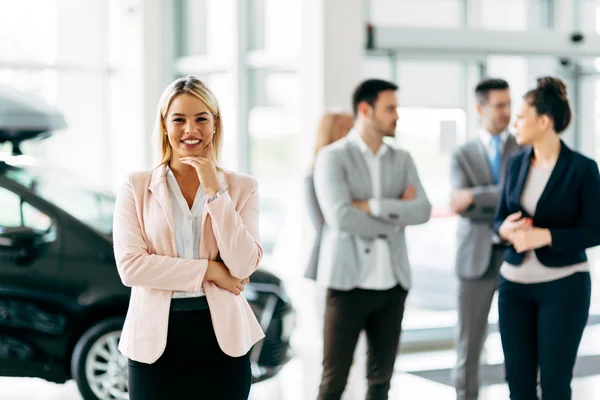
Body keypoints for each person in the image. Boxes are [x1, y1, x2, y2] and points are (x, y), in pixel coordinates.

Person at [112, 76, 264, 400]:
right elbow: (131, 268)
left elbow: (242, 264)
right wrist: (209, 271)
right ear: (165, 126)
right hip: (154, 344)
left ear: (215, 124)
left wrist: (214, 190)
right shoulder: (135, 186)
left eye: (201, 119)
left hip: (223, 342)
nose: (190, 130)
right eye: (178, 119)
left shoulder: (242, 187)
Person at [314, 79, 431, 400]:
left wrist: (375, 206)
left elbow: (422, 210)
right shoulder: (332, 157)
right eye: (390, 108)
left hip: (392, 285)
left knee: (381, 383)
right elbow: (341, 217)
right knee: (333, 382)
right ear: (365, 110)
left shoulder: (402, 158)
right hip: (346, 285)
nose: (397, 116)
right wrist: (396, 220)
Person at [494, 76, 600, 399]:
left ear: (544, 121)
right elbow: (499, 218)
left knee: (554, 385)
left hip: (564, 285)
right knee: (519, 387)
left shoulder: (582, 168)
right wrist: (505, 230)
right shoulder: (514, 164)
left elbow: (595, 230)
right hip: (513, 286)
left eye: (521, 116)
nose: (515, 122)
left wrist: (545, 236)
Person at [449, 78, 520, 400]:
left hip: (517, 256)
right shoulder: (461, 153)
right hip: (473, 258)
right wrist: (502, 196)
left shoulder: (524, 148)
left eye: (509, 104)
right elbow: (458, 204)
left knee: (520, 342)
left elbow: (520, 198)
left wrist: (476, 197)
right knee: (469, 345)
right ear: (480, 108)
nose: (507, 111)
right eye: (499, 105)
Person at [305, 112, 354, 280]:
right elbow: (325, 223)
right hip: (326, 261)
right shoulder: (314, 175)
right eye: (348, 129)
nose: (353, 135)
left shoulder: (353, 173)